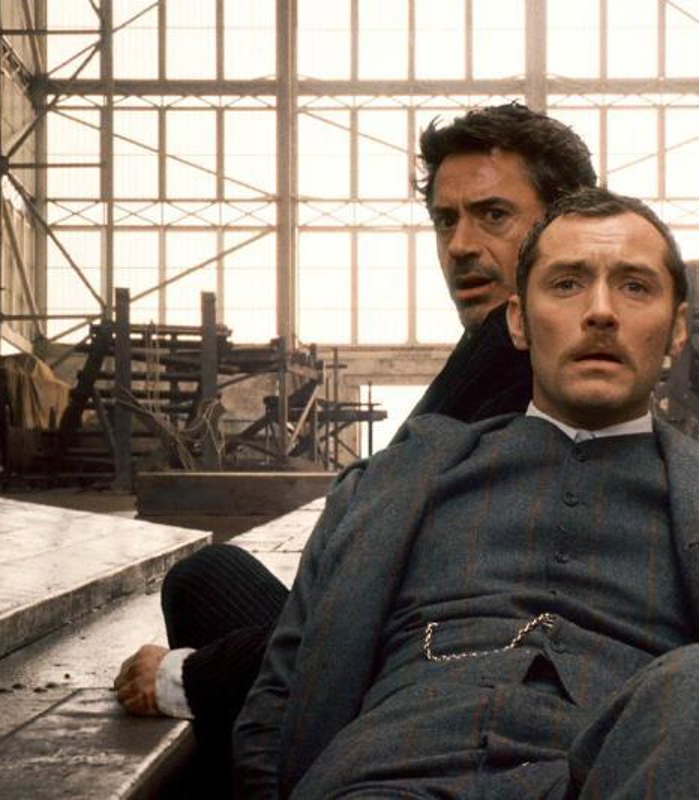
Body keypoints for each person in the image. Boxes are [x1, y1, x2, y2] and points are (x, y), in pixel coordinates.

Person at [233, 187, 699, 799]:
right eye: (566, 283)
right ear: (519, 322)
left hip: (624, 772)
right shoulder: (389, 484)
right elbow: (276, 707)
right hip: (386, 776)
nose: (600, 311)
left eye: (634, 286)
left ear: (676, 330)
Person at [113, 104, 597, 791]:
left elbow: (392, 610)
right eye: (445, 220)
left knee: (208, 611)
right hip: (418, 649)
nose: (460, 245)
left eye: (493, 215)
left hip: (444, 685)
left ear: (565, 227)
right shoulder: (493, 347)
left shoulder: (537, 369)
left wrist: (186, 676)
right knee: (206, 575)